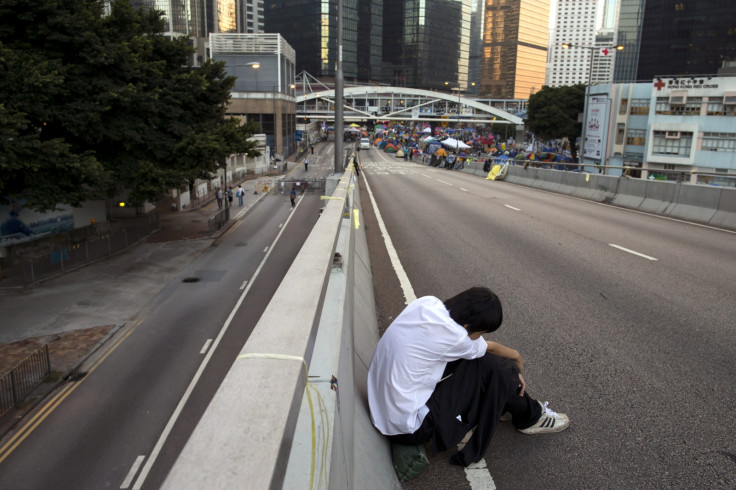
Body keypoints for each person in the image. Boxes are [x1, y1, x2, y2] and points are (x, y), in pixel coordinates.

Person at [367, 286, 569, 467]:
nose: (479, 337)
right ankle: (530, 417)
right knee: (499, 369)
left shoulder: (427, 303)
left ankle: (512, 404)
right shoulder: (455, 338)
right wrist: (517, 360)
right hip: (407, 428)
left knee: (489, 365)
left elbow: (481, 348)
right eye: (480, 333)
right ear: (466, 327)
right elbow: (490, 348)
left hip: (379, 405)